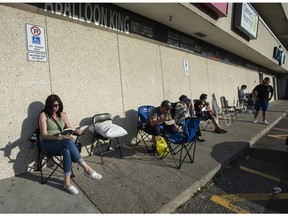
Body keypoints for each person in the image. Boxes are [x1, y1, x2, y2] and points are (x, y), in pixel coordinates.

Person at [39, 94, 102, 195]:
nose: (57, 107)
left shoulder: (62, 114)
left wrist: (77, 131)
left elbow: (69, 128)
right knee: (68, 142)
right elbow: (44, 135)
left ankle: (67, 183)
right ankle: (87, 169)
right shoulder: (43, 115)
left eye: (58, 105)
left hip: (62, 143)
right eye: (54, 105)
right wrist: (57, 137)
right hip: (48, 143)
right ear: (49, 105)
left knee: (66, 150)